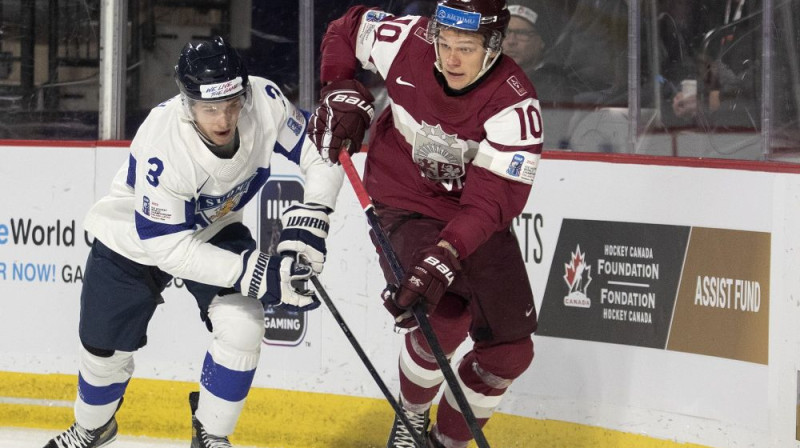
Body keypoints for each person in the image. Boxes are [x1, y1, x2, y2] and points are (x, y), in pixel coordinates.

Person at [43, 36, 343, 448]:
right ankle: (91, 427)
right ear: (187, 102)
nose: (223, 120)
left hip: (214, 229)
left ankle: (211, 434)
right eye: (210, 109)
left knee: (243, 325)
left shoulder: (265, 99)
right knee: (101, 352)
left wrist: (316, 212)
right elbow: (166, 246)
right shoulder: (163, 142)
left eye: (232, 105)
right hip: (135, 238)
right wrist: (255, 271)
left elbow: (318, 149)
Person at [308, 1, 542, 447]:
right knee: (443, 318)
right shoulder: (406, 41)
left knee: (511, 352)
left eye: (466, 48)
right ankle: (411, 417)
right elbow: (346, 27)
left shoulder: (515, 104)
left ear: (494, 47)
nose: (451, 59)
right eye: (445, 43)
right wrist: (338, 85)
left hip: (472, 213)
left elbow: (490, 203)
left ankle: (446, 442)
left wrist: (448, 252)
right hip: (404, 198)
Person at [502, 1, 548, 79]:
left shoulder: (555, 83)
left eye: (522, 33)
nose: (511, 41)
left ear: (541, 41)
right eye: (506, 32)